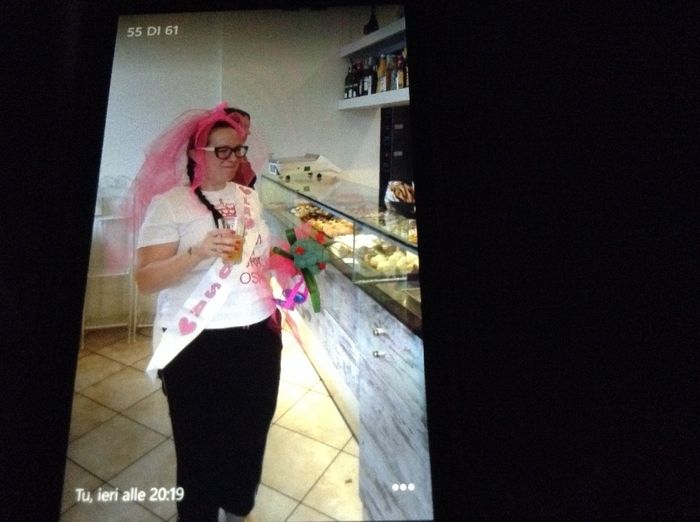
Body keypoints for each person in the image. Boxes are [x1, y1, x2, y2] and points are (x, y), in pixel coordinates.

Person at [131, 103, 282, 522]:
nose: (234, 158)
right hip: (197, 341)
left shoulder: (249, 197)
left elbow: (258, 260)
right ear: (196, 153)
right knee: (198, 443)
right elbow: (145, 280)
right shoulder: (170, 205)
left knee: (250, 432)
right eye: (223, 150)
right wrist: (197, 253)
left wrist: (289, 266)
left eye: (239, 149)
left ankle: (237, 505)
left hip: (258, 335)